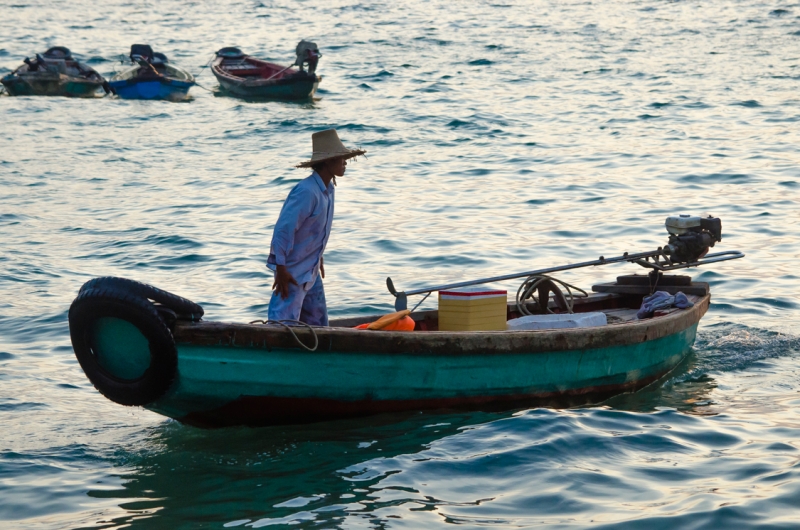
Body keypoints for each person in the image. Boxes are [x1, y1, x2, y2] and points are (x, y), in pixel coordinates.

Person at [266, 129, 365, 325]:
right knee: (283, 324)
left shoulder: (328, 190)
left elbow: (314, 230)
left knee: (319, 324)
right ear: (327, 162)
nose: (345, 162)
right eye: (341, 159)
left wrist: (318, 256)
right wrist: (281, 267)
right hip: (293, 271)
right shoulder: (307, 192)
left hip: (311, 268)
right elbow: (283, 230)